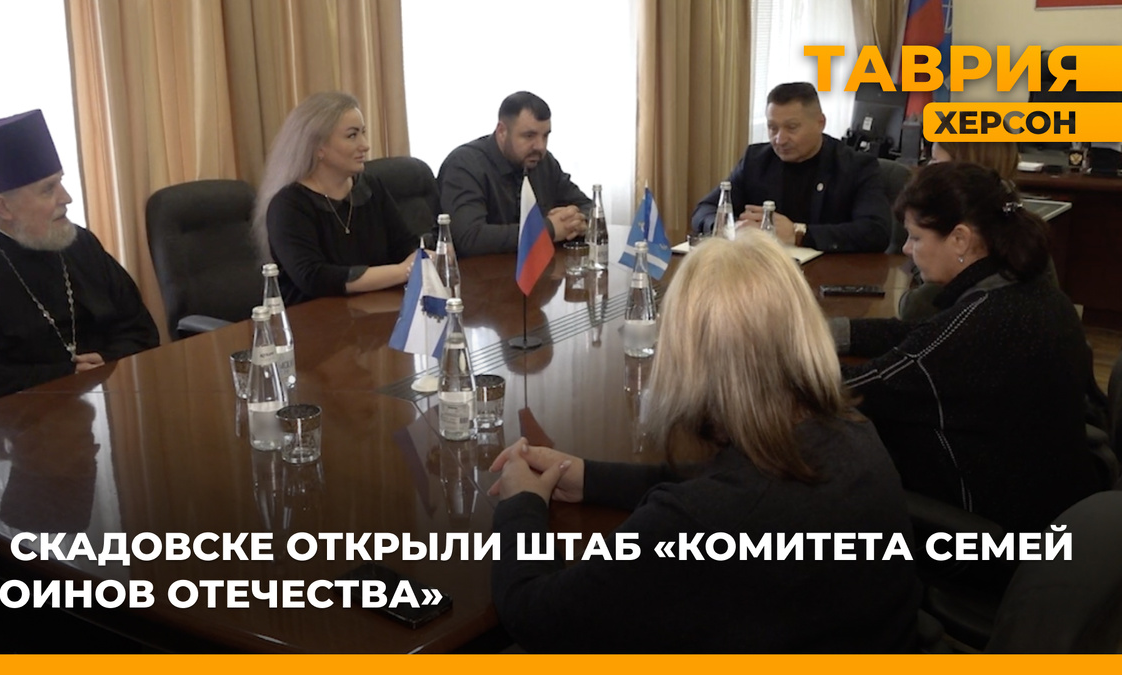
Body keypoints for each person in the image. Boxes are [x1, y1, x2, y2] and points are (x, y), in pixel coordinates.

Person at [488, 233, 920, 653]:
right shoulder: (851, 430)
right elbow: (726, 483)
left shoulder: (700, 522)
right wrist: (589, 477)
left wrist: (521, 505)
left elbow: (535, 615)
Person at [833, 162, 1099, 533]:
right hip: (1050, 502)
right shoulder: (1033, 294)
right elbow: (919, 332)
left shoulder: (979, 326)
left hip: (991, 527)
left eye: (915, 238)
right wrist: (828, 332)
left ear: (960, 239)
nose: (906, 249)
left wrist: (774, 355)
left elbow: (856, 387)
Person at [0, 110, 159, 423]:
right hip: (10, 423)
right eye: (49, 189)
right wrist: (59, 376)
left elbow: (140, 329)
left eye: (61, 182)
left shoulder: (80, 244)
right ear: (3, 207)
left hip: (103, 408)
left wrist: (106, 359)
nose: (67, 198)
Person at [253, 91, 417, 303]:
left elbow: (405, 246)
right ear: (318, 148)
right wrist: (404, 271)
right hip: (315, 317)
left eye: (363, 132)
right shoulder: (288, 205)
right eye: (352, 136)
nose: (365, 145)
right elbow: (314, 277)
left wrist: (425, 256)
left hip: (377, 308)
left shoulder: (371, 188)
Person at [691, 82, 891, 253]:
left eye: (792, 127)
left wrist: (799, 233)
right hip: (763, 271)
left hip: (829, 275)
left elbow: (876, 231)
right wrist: (731, 228)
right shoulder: (756, 160)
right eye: (772, 128)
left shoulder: (856, 167)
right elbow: (705, 209)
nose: (780, 139)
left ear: (820, 123)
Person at [438, 91, 592, 257]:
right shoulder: (464, 165)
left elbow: (587, 206)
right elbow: (469, 238)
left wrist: (576, 220)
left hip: (539, 267)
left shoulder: (543, 161)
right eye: (529, 136)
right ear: (502, 131)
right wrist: (547, 229)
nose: (540, 146)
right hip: (481, 271)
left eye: (545, 136)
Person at [899, 141, 1026, 321]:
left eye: (935, 160)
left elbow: (916, 308)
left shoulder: (986, 294)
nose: (927, 168)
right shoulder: (1014, 227)